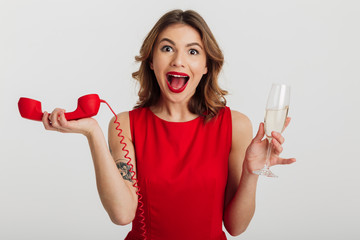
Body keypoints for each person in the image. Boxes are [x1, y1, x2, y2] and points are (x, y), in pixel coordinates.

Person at [42, 9, 296, 240]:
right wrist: (92, 133)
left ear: (206, 66)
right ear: (151, 61)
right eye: (167, 48)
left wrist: (252, 173)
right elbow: (122, 215)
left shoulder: (236, 125)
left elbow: (236, 227)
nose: (178, 60)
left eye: (193, 51)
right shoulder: (125, 125)